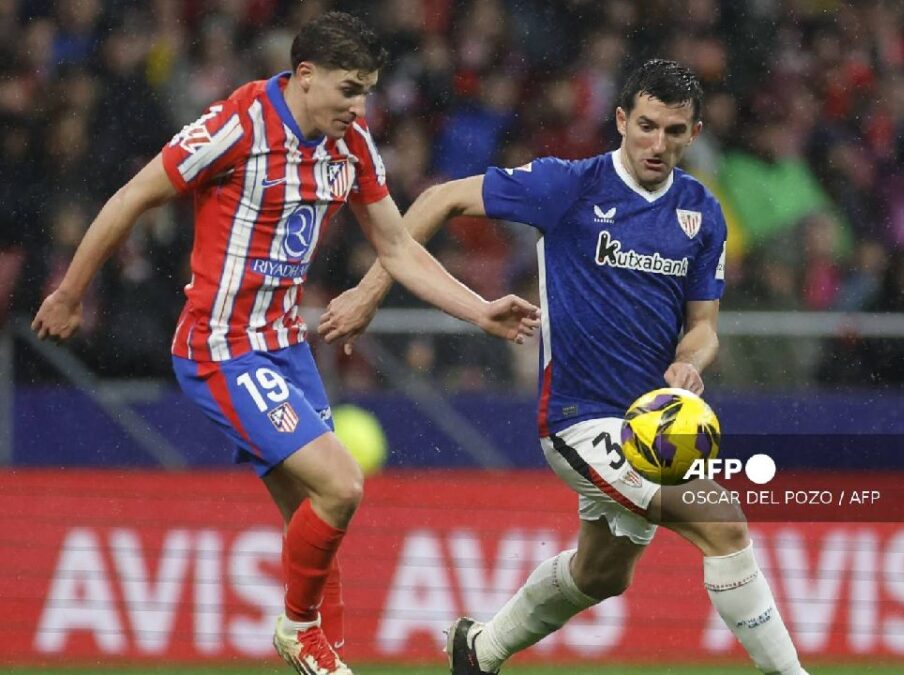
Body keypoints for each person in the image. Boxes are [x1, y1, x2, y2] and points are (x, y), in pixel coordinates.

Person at [31, 12, 539, 675]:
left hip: (285, 348)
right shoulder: (238, 124)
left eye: (367, 91)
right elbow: (134, 196)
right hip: (222, 346)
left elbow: (397, 247)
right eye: (349, 89)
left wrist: (479, 311)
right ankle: (300, 631)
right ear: (305, 77)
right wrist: (72, 290)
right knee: (341, 486)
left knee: (316, 520)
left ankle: (327, 658)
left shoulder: (351, 143)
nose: (360, 106)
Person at [321, 59, 808, 675]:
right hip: (578, 419)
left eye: (675, 132)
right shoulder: (568, 185)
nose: (658, 145)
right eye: (648, 126)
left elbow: (704, 326)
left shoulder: (702, 212)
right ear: (621, 119)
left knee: (600, 574)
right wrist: (368, 293)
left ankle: (479, 650)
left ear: (695, 132)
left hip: (650, 428)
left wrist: (688, 364)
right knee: (722, 521)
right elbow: (439, 199)